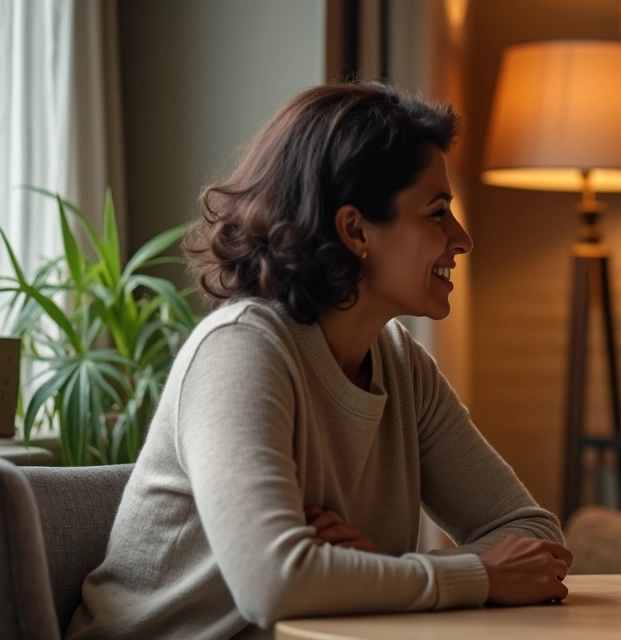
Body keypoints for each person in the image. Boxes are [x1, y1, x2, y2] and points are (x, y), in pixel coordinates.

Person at [67, 82, 572, 640]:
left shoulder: (402, 364)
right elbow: (277, 584)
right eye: (437, 213)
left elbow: (533, 535)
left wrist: (366, 570)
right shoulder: (239, 351)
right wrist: (471, 574)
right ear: (356, 230)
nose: (462, 239)